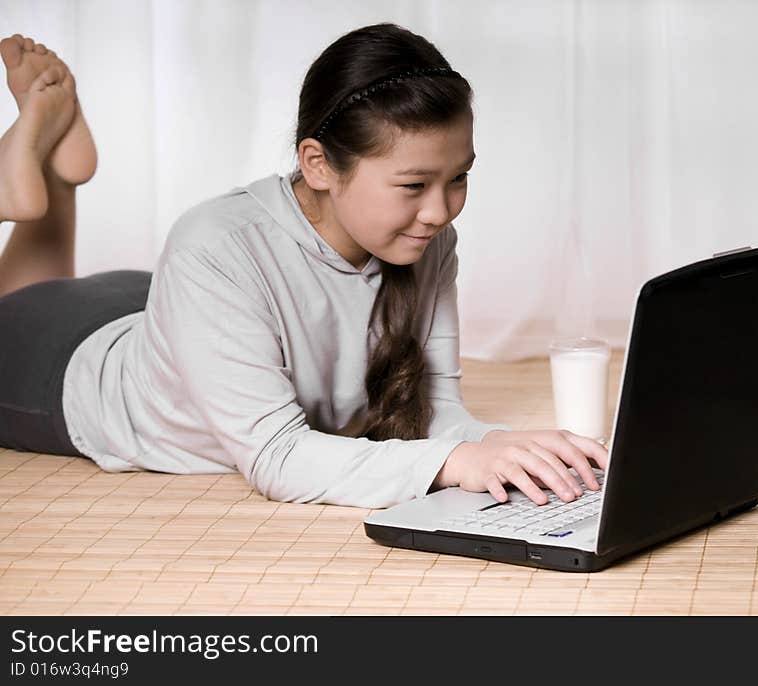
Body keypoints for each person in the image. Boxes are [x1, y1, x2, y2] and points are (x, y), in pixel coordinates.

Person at [0, 24, 607, 509]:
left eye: (459, 178)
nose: (440, 210)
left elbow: (434, 412)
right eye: (415, 183)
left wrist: (501, 445)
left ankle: (52, 171)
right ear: (317, 164)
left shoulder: (422, 241)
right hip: (60, 370)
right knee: (14, 307)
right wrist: (454, 463)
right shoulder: (215, 245)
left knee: (44, 288)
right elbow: (276, 456)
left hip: (157, 311)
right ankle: (25, 184)